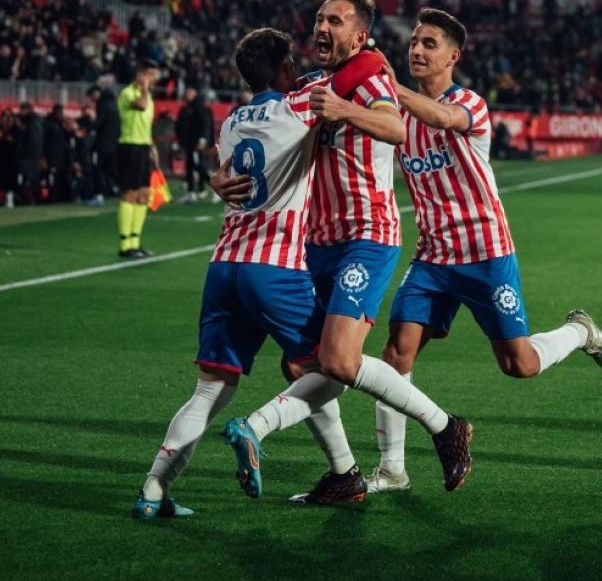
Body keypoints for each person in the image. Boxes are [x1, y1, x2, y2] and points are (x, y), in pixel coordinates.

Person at [132, 28, 469, 520]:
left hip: (223, 266)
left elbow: (224, 171)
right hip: (274, 266)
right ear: (287, 70)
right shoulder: (298, 107)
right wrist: (367, 47)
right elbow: (359, 72)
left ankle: (153, 491)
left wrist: (213, 177)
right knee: (336, 366)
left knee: (211, 389)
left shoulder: (231, 122)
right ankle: (439, 425)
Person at [360, 7, 602, 493]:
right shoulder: (397, 117)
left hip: (485, 253)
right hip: (434, 258)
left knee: (518, 364)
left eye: (429, 44)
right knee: (396, 354)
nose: (417, 50)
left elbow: (443, 116)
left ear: (453, 56)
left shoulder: (470, 103)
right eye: (414, 42)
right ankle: (393, 468)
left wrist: (388, 86)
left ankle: (578, 332)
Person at [215, 0, 435, 505]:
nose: (322, 27)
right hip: (316, 242)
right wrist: (215, 178)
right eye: (319, 18)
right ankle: (344, 473)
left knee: (337, 357)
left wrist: (342, 106)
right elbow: (256, 136)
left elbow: (394, 127)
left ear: (359, 35)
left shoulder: (369, 78)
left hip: (367, 232)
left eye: (336, 20)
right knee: (299, 363)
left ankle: (443, 426)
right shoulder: (315, 83)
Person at [116, 62, 160, 258]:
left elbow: (145, 124)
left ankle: (136, 242)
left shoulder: (148, 95)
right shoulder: (129, 93)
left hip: (143, 147)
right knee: (130, 193)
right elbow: (140, 107)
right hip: (130, 147)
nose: (154, 79)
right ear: (141, 75)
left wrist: (151, 146)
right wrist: (143, 89)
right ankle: (125, 245)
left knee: (144, 194)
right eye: (151, 75)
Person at [174, 85, 213, 202]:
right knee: (190, 166)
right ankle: (191, 192)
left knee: (198, 165)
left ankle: (217, 187)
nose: (186, 94)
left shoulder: (199, 106)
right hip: (190, 142)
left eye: (189, 92)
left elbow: (204, 124)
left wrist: (202, 139)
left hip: (196, 142)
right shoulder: (188, 107)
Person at [87, 84, 121, 202]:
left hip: (103, 144)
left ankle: (99, 193)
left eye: (92, 97)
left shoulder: (102, 104)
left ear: (96, 93)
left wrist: (89, 125)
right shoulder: (113, 104)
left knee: (98, 168)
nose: (92, 100)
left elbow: (100, 122)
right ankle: (121, 188)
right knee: (111, 168)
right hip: (114, 143)